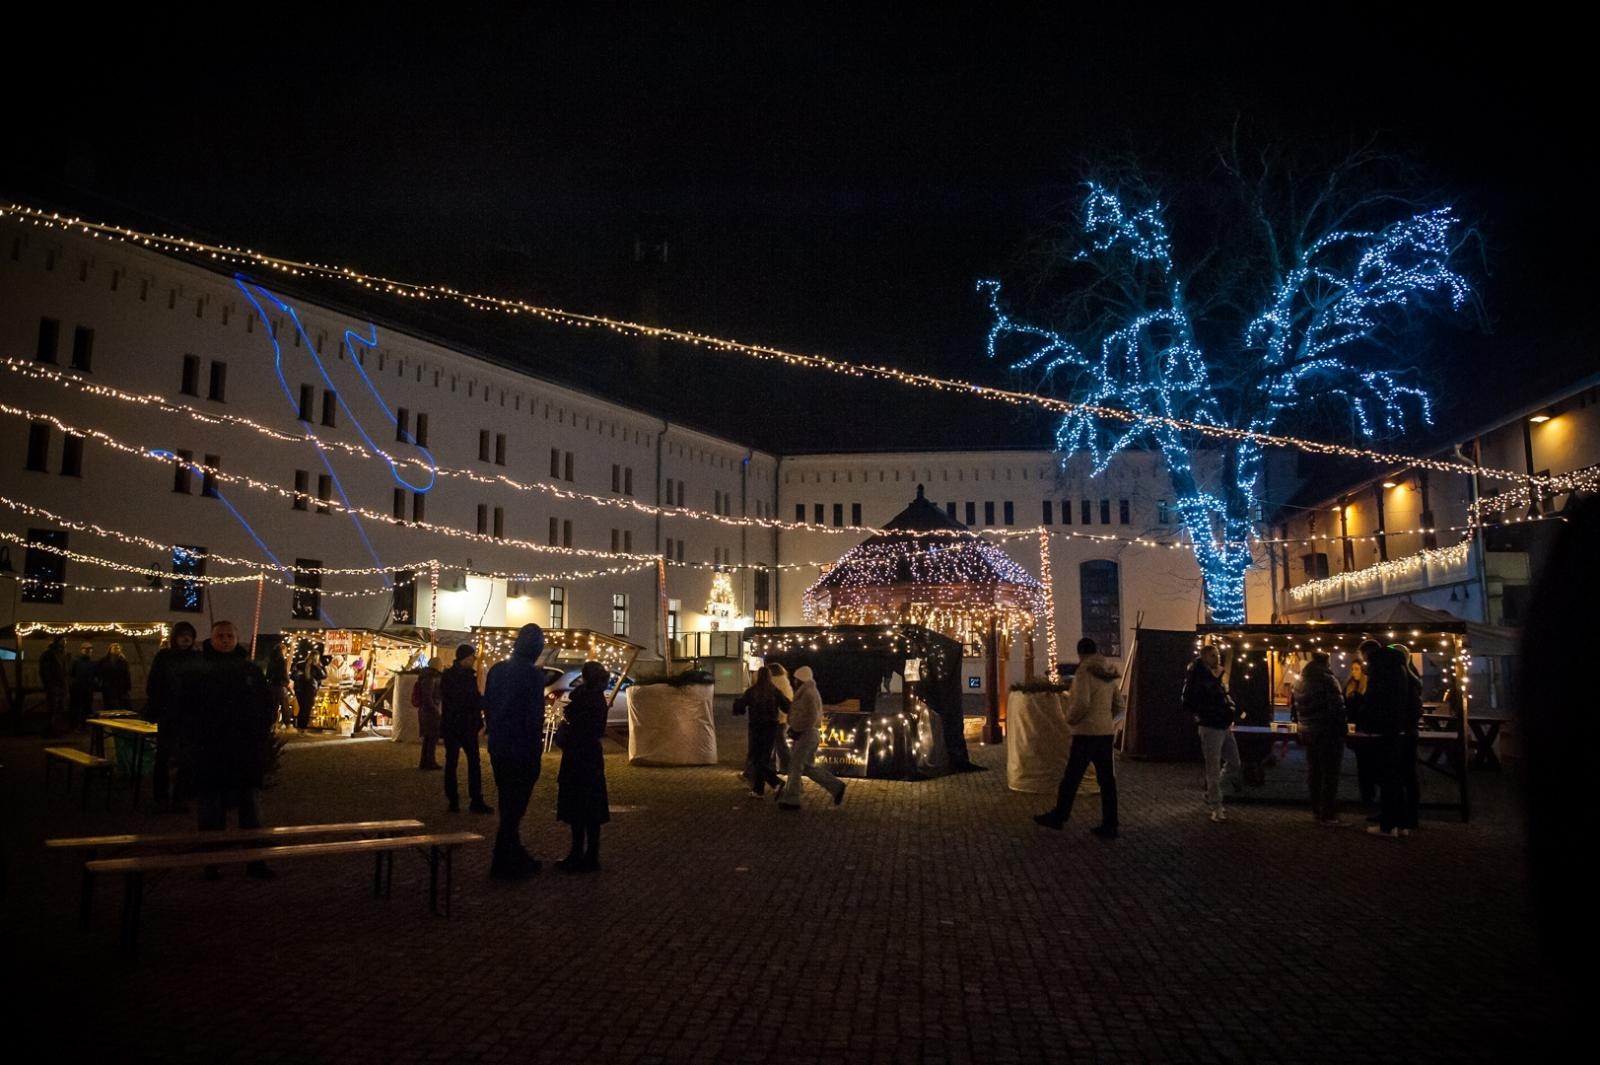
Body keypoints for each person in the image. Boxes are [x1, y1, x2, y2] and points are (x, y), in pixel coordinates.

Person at [180, 621, 279, 879]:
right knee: (211, 810)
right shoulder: (198, 670)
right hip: (210, 752)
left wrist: (258, 735)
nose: (225, 640)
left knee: (251, 809)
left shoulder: (250, 670)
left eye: (229, 636)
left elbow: (266, 705)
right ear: (212, 638)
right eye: (220, 636)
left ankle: (255, 861)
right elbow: (186, 708)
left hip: (245, 753)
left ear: (236, 638)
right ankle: (211, 863)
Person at [1034, 637, 1123, 838]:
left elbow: (1082, 703)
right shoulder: (1108, 672)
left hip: (1086, 734)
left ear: (1080, 653)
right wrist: (1108, 723)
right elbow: (1119, 706)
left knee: (1071, 778)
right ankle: (1110, 824)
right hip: (1104, 734)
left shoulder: (1084, 672)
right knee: (1107, 781)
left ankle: (1059, 816)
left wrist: (1069, 719)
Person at [484, 624, 547, 879]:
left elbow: (488, 705)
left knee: (508, 803)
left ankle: (511, 854)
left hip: (499, 746)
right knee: (514, 807)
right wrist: (535, 749)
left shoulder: (497, 670)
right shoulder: (533, 676)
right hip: (521, 749)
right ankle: (504, 860)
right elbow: (534, 717)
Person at [556, 661, 612, 872]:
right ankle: (589, 854)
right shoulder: (597, 697)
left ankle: (579, 853)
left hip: (578, 755)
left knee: (578, 806)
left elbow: (579, 724)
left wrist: (567, 730)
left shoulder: (585, 697)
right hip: (591, 757)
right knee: (590, 808)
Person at [1365, 643, 1421, 838]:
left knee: (1389, 778)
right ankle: (1403, 822)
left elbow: (1374, 702)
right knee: (1401, 779)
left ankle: (1388, 825)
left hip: (1388, 733)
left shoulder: (1383, 674)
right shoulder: (1406, 675)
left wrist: (1371, 723)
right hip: (1404, 733)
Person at [1182, 643, 1242, 822]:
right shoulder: (1198, 677)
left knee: (1235, 763)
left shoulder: (1215, 675)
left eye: (1218, 655)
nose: (1218, 658)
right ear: (1204, 657)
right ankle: (1216, 806)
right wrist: (1205, 713)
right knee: (1213, 767)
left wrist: (1228, 709)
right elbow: (1189, 700)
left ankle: (1212, 793)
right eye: (1213, 655)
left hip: (1223, 724)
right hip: (1210, 725)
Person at [145, 621, 200, 808]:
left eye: (189, 635)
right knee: (164, 756)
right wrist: (157, 705)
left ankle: (180, 796)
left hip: (189, 715)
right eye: (182, 635)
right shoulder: (164, 657)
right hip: (168, 713)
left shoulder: (197, 658)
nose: (185, 639)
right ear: (175, 637)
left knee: (186, 757)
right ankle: (161, 797)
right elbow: (154, 683)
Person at [777, 665, 846, 810]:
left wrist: (797, 728)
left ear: (800, 679)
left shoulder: (807, 694)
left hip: (806, 733)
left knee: (796, 766)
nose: (794, 681)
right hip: (808, 733)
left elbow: (810, 716)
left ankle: (792, 799)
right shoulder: (809, 692)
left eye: (796, 679)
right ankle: (836, 786)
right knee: (807, 766)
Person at [1293, 650, 1347, 825]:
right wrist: (1342, 729)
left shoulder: (1301, 680)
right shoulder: (1327, 680)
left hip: (1309, 731)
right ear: (1327, 662)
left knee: (1314, 772)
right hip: (1328, 732)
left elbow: (1297, 707)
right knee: (1330, 774)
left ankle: (1317, 809)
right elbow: (1337, 708)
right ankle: (1328, 812)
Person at [441, 645, 492, 814]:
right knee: (462, 762)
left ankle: (461, 800)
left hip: (458, 725)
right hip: (462, 725)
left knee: (459, 762)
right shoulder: (460, 677)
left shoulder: (455, 675)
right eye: (472, 657)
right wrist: (480, 703)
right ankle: (465, 799)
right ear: (465, 658)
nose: (473, 660)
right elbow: (467, 699)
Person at [732, 667, 789, 797]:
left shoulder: (752, 691)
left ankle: (776, 782)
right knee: (764, 758)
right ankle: (759, 790)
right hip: (771, 728)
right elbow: (786, 706)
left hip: (756, 728)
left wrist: (737, 704)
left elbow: (740, 706)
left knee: (756, 759)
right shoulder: (774, 691)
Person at [1343, 652, 1379, 807]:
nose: (1354, 672)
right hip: (1355, 729)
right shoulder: (1349, 686)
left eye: (1357, 669)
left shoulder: (1368, 687)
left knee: (1369, 763)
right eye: (1352, 669)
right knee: (1361, 764)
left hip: (1367, 730)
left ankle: (1370, 793)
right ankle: (1366, 794)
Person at [413, 658, 443, 771]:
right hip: (430, 712)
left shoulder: (426, 677)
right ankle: (430, 761)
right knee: (432, 737)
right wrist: (436, 711)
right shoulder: (430, 678)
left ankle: (425, 761)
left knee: (428, 737)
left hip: (426, 711)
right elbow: (428, 697)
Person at [767, 661, 794, 774]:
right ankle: (778, 767)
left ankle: (788, 767)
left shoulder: (773, 683)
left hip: (775, 718)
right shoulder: (786, 682)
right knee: (776, 743)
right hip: (784, 718)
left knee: (778, 744)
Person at [292, 644, 326, 730]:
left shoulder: (301, 664)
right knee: (306, 708)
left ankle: (300, 727)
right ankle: (302, 727)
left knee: (303, 708)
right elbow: (323, 676)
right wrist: (318, 666)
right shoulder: (313, 666)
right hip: (308, 689)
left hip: (301, 689)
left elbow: (293, 675)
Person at [39, 636, 68, 733]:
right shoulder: (50, 654)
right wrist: (48, 682)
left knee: (59, 706)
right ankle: (51, 727)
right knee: (53, 707)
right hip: (54, 684)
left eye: (65, 640)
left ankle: (56, 727)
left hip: (60, 684)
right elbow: (45, 670)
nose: (65, 642)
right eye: (63, 640)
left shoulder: (62, 654)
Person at [68, 642, 97, 728]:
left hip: (86, 689)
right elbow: (71, 674)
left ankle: (82, 726)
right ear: (82, 650)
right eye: (86, 649)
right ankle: (76, 725)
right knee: (77, 708)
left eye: (89, 649)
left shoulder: (91, 663)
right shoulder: (76, 661)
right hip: (78, 689)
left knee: (85, 708)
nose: (88, 651)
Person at [97, 643, 133, 712]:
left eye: (118, 648)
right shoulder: (104, 660)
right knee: (108, 705)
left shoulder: (123, 661)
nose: (116, 650)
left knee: (119, 705)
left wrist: (127, 686)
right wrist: (100, 682)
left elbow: (127, 674)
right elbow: (98, 671)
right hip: (107, 686)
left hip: (120, 687)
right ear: (110, 650)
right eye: (114, 648)